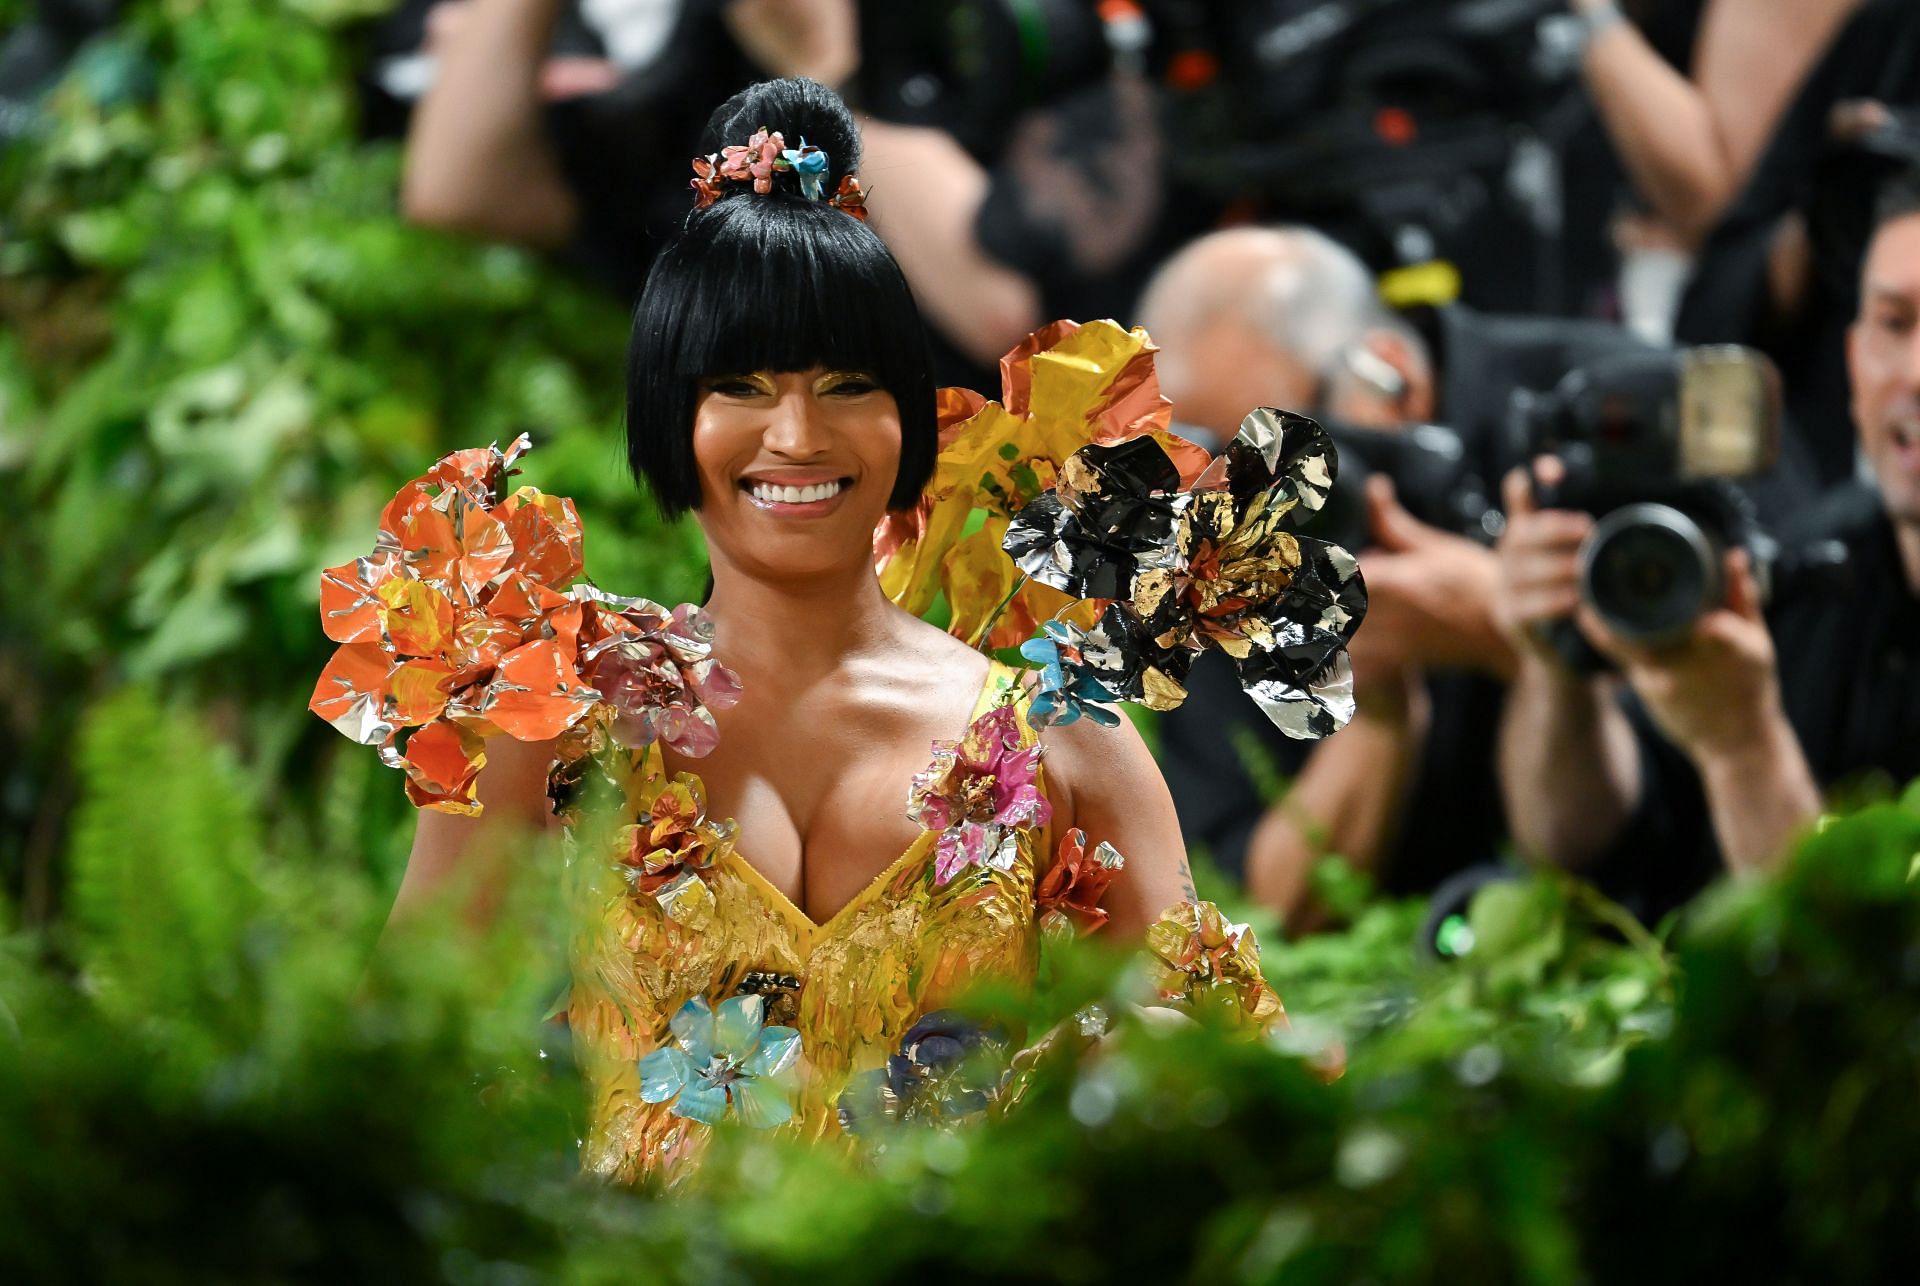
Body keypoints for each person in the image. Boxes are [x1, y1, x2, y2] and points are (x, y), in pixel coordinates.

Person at [364, 77, 1296, 1183]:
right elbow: (381, 1075)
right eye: (741, 385)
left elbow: (1235, 1098)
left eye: (849, 383)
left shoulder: (1062, 739)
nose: (797, 434)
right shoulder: (552, 722)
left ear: (910, 418)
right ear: (671, 414)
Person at [1494, 170, 1920, 919]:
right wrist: (1560, 658)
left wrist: (1744, 750)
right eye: (1895, 323)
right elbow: (1580, 849)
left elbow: (1883, 1004)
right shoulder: (1811, 570)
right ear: (1854, 361)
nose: (1915, 373)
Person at [1139, 227, 1518, 922]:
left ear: (1391, 379)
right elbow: (1260, 914)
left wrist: (1509, 630)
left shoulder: (1571, 421)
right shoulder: (1208, 559)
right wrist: (1378, 706)